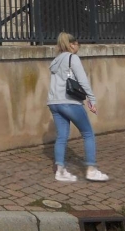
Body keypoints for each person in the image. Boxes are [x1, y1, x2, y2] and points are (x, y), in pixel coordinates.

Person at [47, 32, 109, 182]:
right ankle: (91, 170)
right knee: (88, 133)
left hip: (54, 103)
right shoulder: (72, 58)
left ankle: (60, 171)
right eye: (77, 44)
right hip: (69, 102)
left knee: (61, 136)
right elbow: (83, 80)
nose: (78, 47)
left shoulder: (55, 61)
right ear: (72, 44)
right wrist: (91, 99)